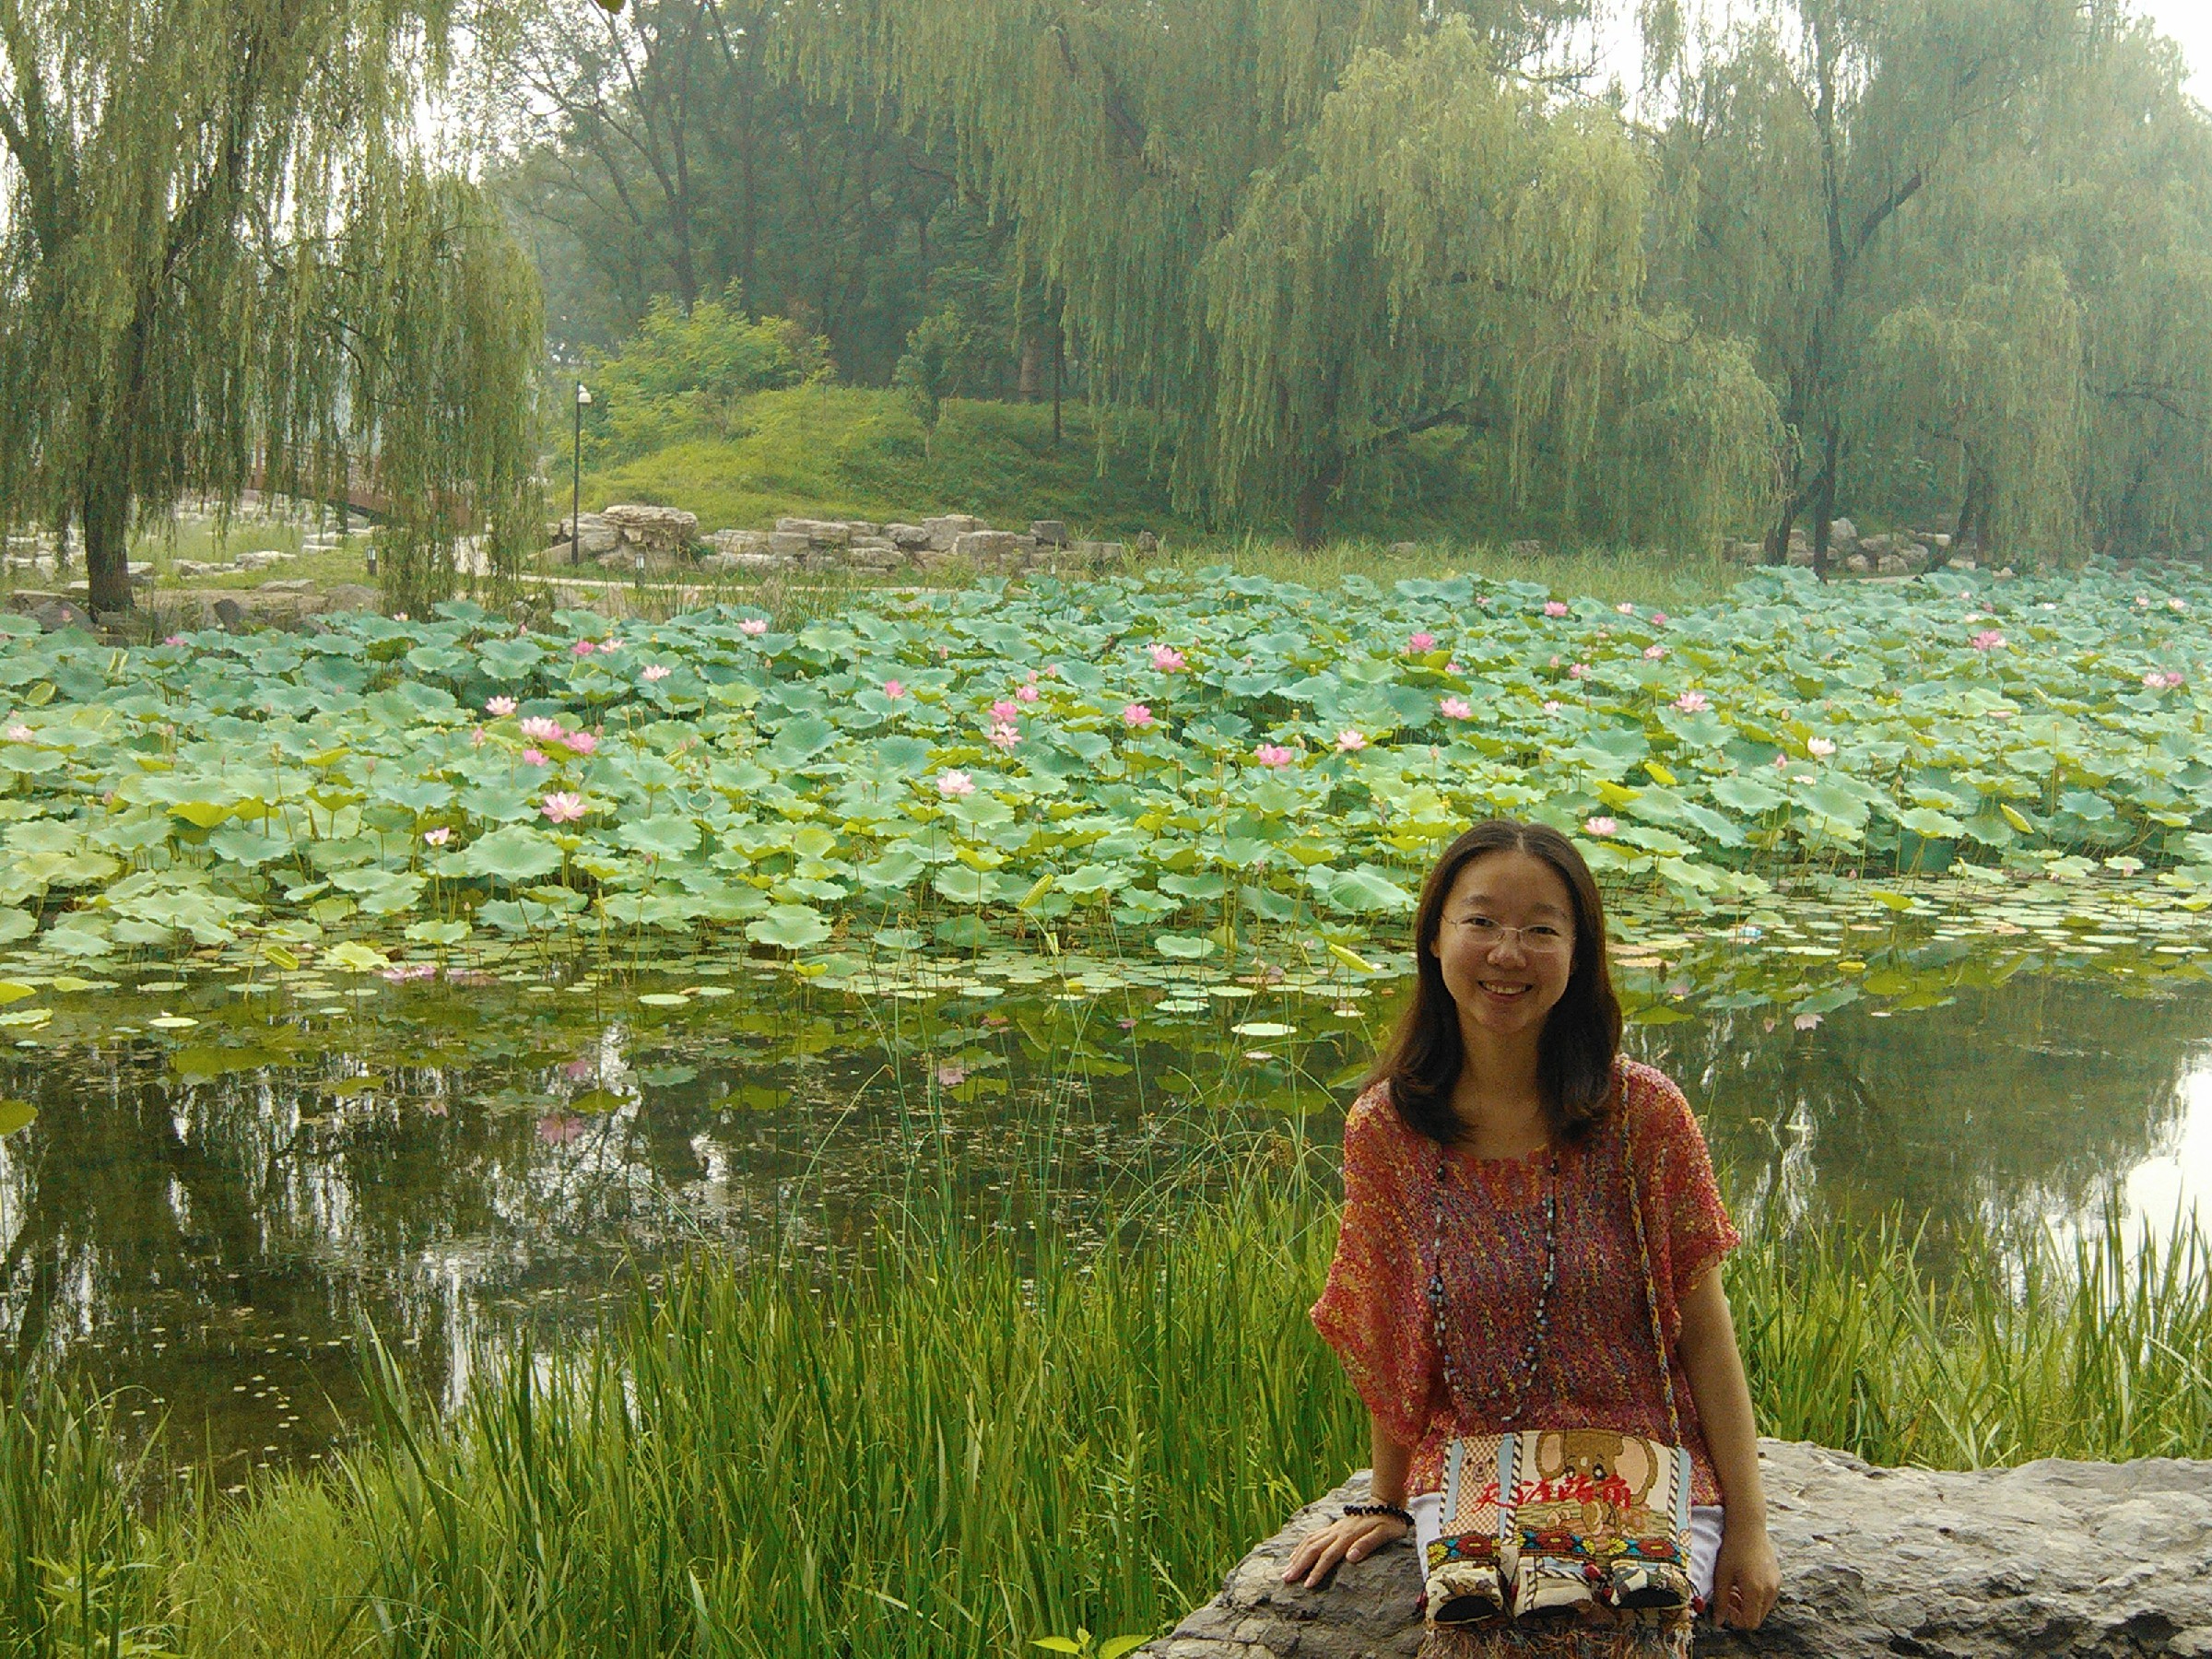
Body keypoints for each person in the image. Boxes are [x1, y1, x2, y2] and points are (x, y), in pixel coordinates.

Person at [1283, 819, 1782, 1653]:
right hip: (1471, 1468)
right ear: (1435, 936)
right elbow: (1390, 1331)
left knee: (1622, 1624)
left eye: (1541, 930)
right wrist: (1385, 1499)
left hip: (1646, 1463)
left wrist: (1751, 1527)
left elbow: (1705, 1330)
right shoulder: (1389, 1131)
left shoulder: (1644, 1115)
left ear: (1579, 953)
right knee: (1483, 1628)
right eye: (1481, 921)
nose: (1507, 953)